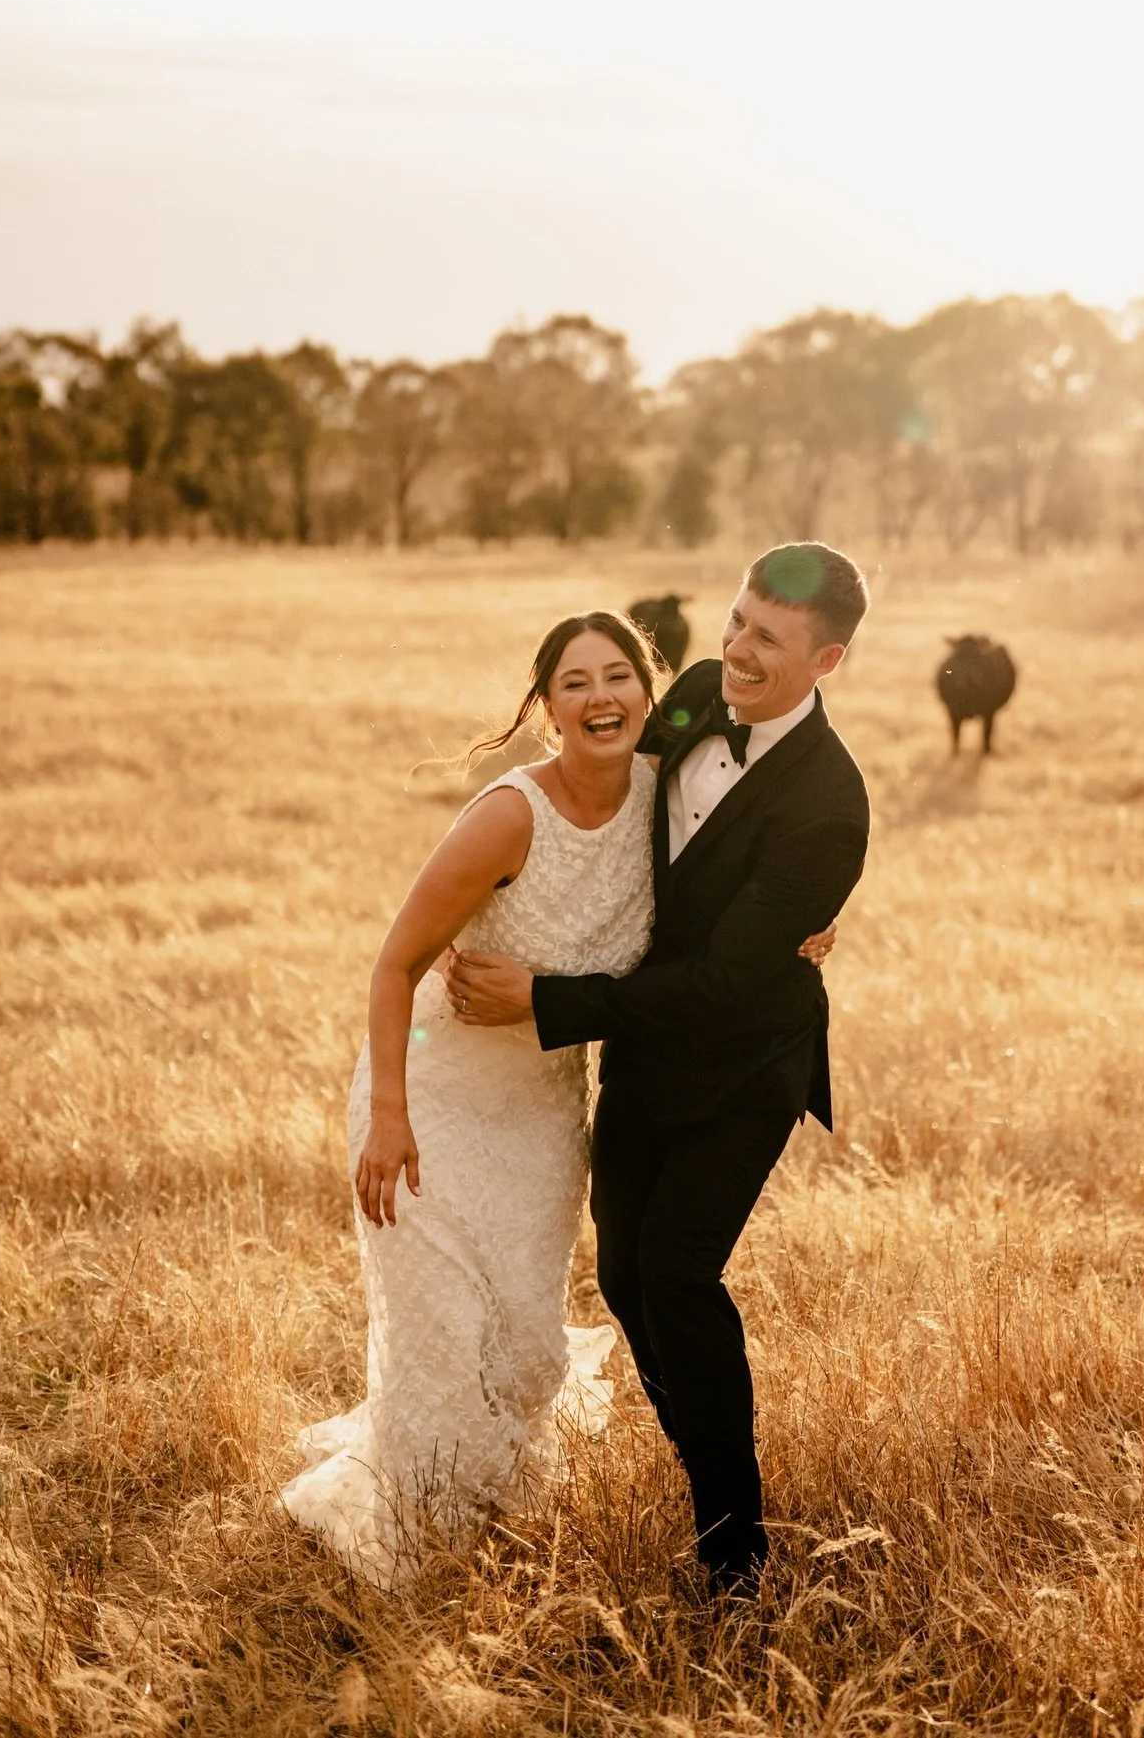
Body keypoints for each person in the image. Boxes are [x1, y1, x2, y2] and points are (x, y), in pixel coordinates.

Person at [279, 608, 834, 1585]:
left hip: (542, 1120)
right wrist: (391, 1116)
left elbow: (753, 875)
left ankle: (493, 1531)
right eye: (573, 682)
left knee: (525, 1348)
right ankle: (418, 1554)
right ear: (545, 706)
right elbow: (396, 966)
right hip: (434, 1109)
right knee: (442, 1340)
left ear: (648, 697)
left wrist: (810, 928)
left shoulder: (665, 800)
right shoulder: (506, 815)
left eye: (618, 676)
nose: (600, 696)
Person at [448, 543, 871, 1597]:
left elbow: (729, 982)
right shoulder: (688, 697)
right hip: (642, 1051)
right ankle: (706, 1460)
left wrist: (547, 1003)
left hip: (745, 1065)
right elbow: (609, 784)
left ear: (827, 659)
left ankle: (736, 1547)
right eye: (736, 620)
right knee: (627, 1277)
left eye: (767, 639)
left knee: (679, 1274)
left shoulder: (829, 801)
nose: (735, 648)